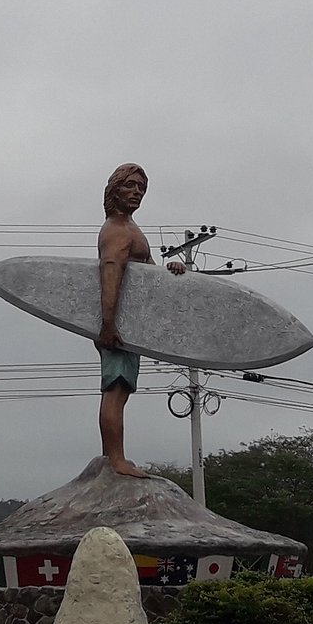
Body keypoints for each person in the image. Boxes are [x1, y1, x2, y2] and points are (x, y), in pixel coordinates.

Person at [95, 163, 185, 477]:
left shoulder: (130, 228)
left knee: (122, 390)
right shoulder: (117, 231)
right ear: (114, 190)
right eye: (130, 186)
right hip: (117, 327)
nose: (137, 193)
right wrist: (108, 325)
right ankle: (115, 461)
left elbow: (145, 276)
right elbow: (111, 273)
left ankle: (114, 457)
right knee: (116, 388)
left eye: (141, 188)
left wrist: (169, 269)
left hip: (130, 326)